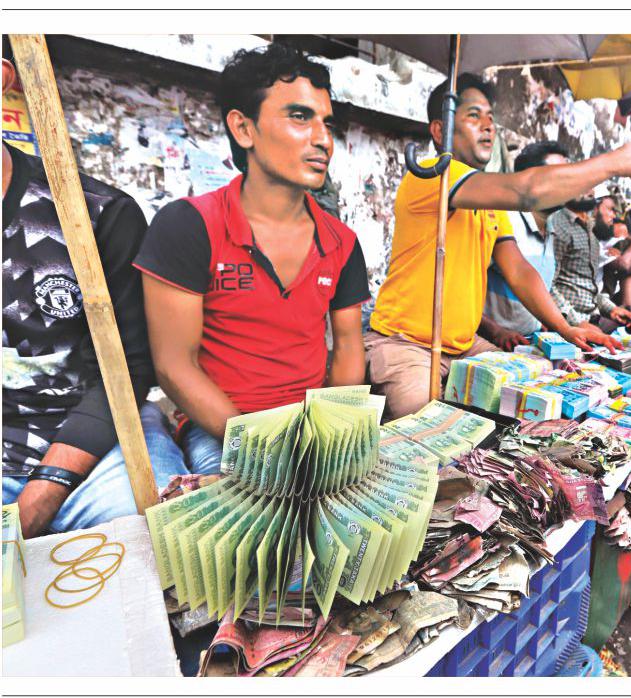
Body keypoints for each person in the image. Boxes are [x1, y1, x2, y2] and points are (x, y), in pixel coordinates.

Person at [134, 44, 371, 474]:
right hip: (220, 428)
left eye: (327, 123)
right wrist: (259, 446)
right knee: (254, 508)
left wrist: (331, 435)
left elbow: (349, 348)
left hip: (310, 427)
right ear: (244, 129)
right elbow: (174, 365)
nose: (323, 140)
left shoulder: (342, 242)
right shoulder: (189, 226)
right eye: (300, 117)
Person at [366, 73, 631, 418]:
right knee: (422, 433)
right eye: (474, 116)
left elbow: (518, 270)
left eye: (490, 117)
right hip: (407, 346)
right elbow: (527, 191)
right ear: (440, 131)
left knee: (530, 401)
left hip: (464, 346)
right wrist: (614, 163)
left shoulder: (488, 202)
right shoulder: (430, 174)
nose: (488, 126)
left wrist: (564, 327)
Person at [1, 54, 189, 537]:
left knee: (158, 537)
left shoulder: (94, 214)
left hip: (94, 444)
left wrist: (43, 493)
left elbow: (128, 366)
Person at [479, 140, 569, 349]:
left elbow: (544, 289)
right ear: (529, 180)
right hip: (490, 347)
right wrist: (495, 331)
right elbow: (461, 288)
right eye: (558, 175)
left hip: (529, 346)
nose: (568, 183)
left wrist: (563, 324)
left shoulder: (552, 230)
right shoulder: (504, 221)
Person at [550, 186, 631, 329]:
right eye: (610, 209)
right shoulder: (559, 225)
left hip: (590, 319)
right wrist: (578, 323)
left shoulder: (589, 233)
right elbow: (547, 285)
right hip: (569, 325)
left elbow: (588, 288)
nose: (613, 216)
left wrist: (612, 309)